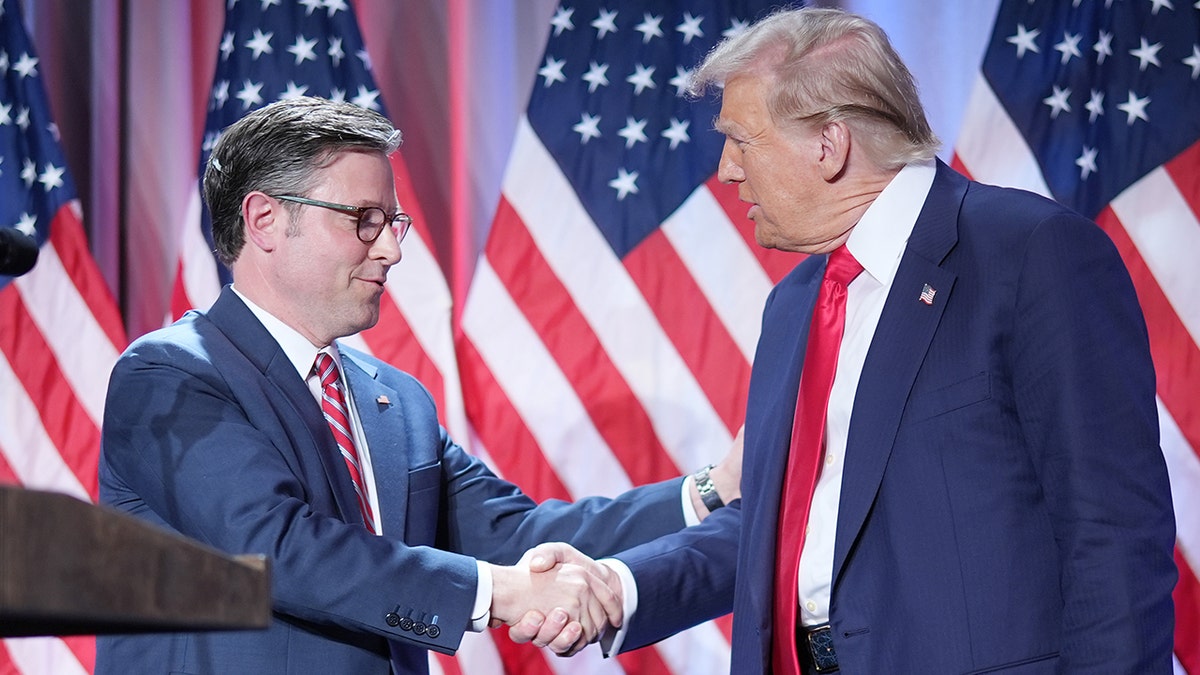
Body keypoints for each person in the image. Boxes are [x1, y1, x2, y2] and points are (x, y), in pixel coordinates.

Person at [527, 7, 1178, 673]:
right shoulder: (795, 304)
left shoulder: (1028, 255)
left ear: (829, 144)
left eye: (741, 141)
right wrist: (621, 585)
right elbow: (786, 529)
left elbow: (1114, 533)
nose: (725, 171)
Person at [95, 96, 740, 675]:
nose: (391, 250)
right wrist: (502, 593)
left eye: (392, 223)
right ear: (264, 220)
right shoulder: (171, 375)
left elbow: (517, 535)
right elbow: (277, 548)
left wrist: (710, 491)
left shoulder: (395, 402)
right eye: (363, 219)